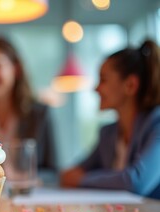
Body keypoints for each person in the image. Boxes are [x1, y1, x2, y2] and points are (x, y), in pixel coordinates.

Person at [60, 40, 160, 199]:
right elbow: (72, 173)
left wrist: (82, 180)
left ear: (130, 85)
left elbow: (135, 182)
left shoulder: (156, 124)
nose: (96, 88)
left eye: (103, 80)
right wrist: (75, 177)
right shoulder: (108, 133)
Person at [0, 38, 57, 180]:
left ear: (15, 69)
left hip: (26, 197)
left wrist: (27, 177)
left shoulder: (39, 114)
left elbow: (52, 173)